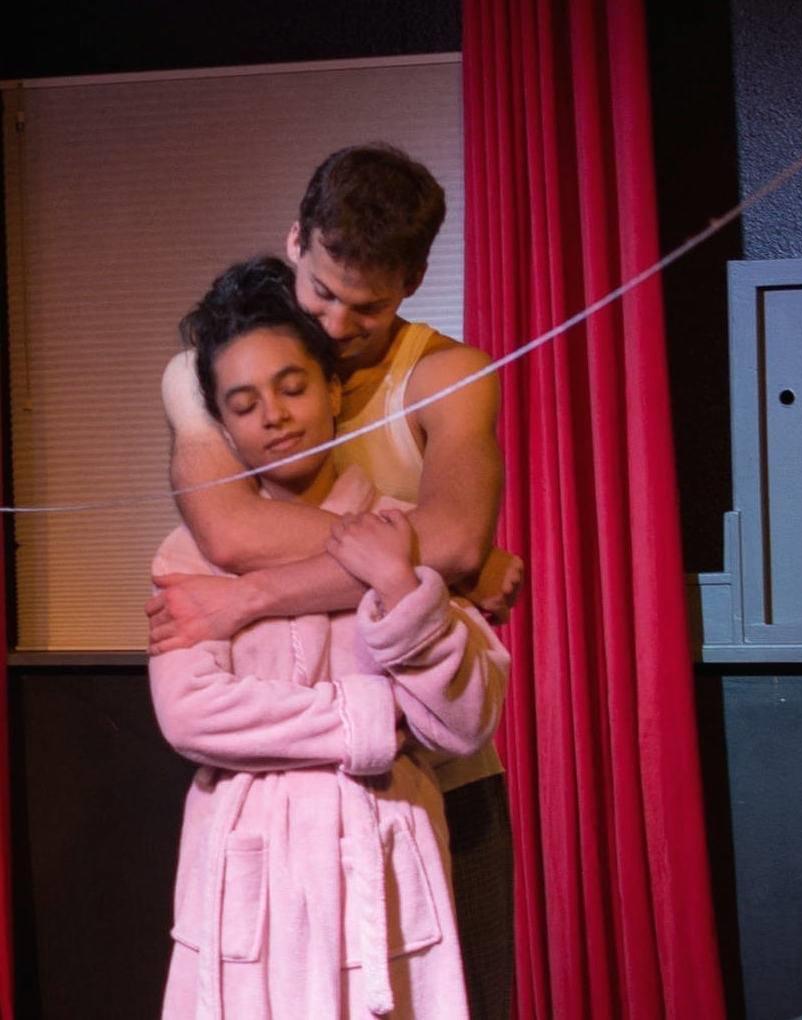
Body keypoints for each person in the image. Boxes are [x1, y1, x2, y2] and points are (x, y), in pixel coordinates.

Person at [148, 145, 518, 1017]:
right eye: (321, 292)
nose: (341, 324)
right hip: (290, 796)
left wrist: (252, 595)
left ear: (413, 281)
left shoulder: (446, 376)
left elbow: (459, 545)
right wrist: (424, 563)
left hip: (436, 766)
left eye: (370, 305)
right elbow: (231, 532)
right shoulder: (211, 370)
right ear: (295, 242)